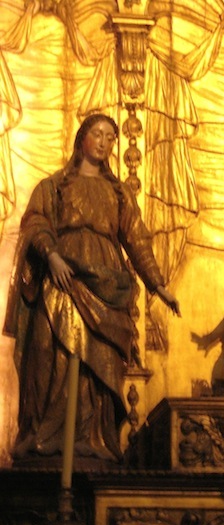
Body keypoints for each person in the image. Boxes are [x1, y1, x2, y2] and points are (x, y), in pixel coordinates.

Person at [4, 113, 180, 462]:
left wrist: (158, 285)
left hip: (106, 282)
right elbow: (36, 223)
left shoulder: (119, 192)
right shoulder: (53, 186)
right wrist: (52, 255)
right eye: (97, 134)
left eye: (111, 137)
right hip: (63, 276)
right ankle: (48, 438)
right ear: (82, 138)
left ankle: (92, 438)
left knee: (97, 362)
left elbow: (136, 239)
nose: (104, 142)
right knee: (53, 352)